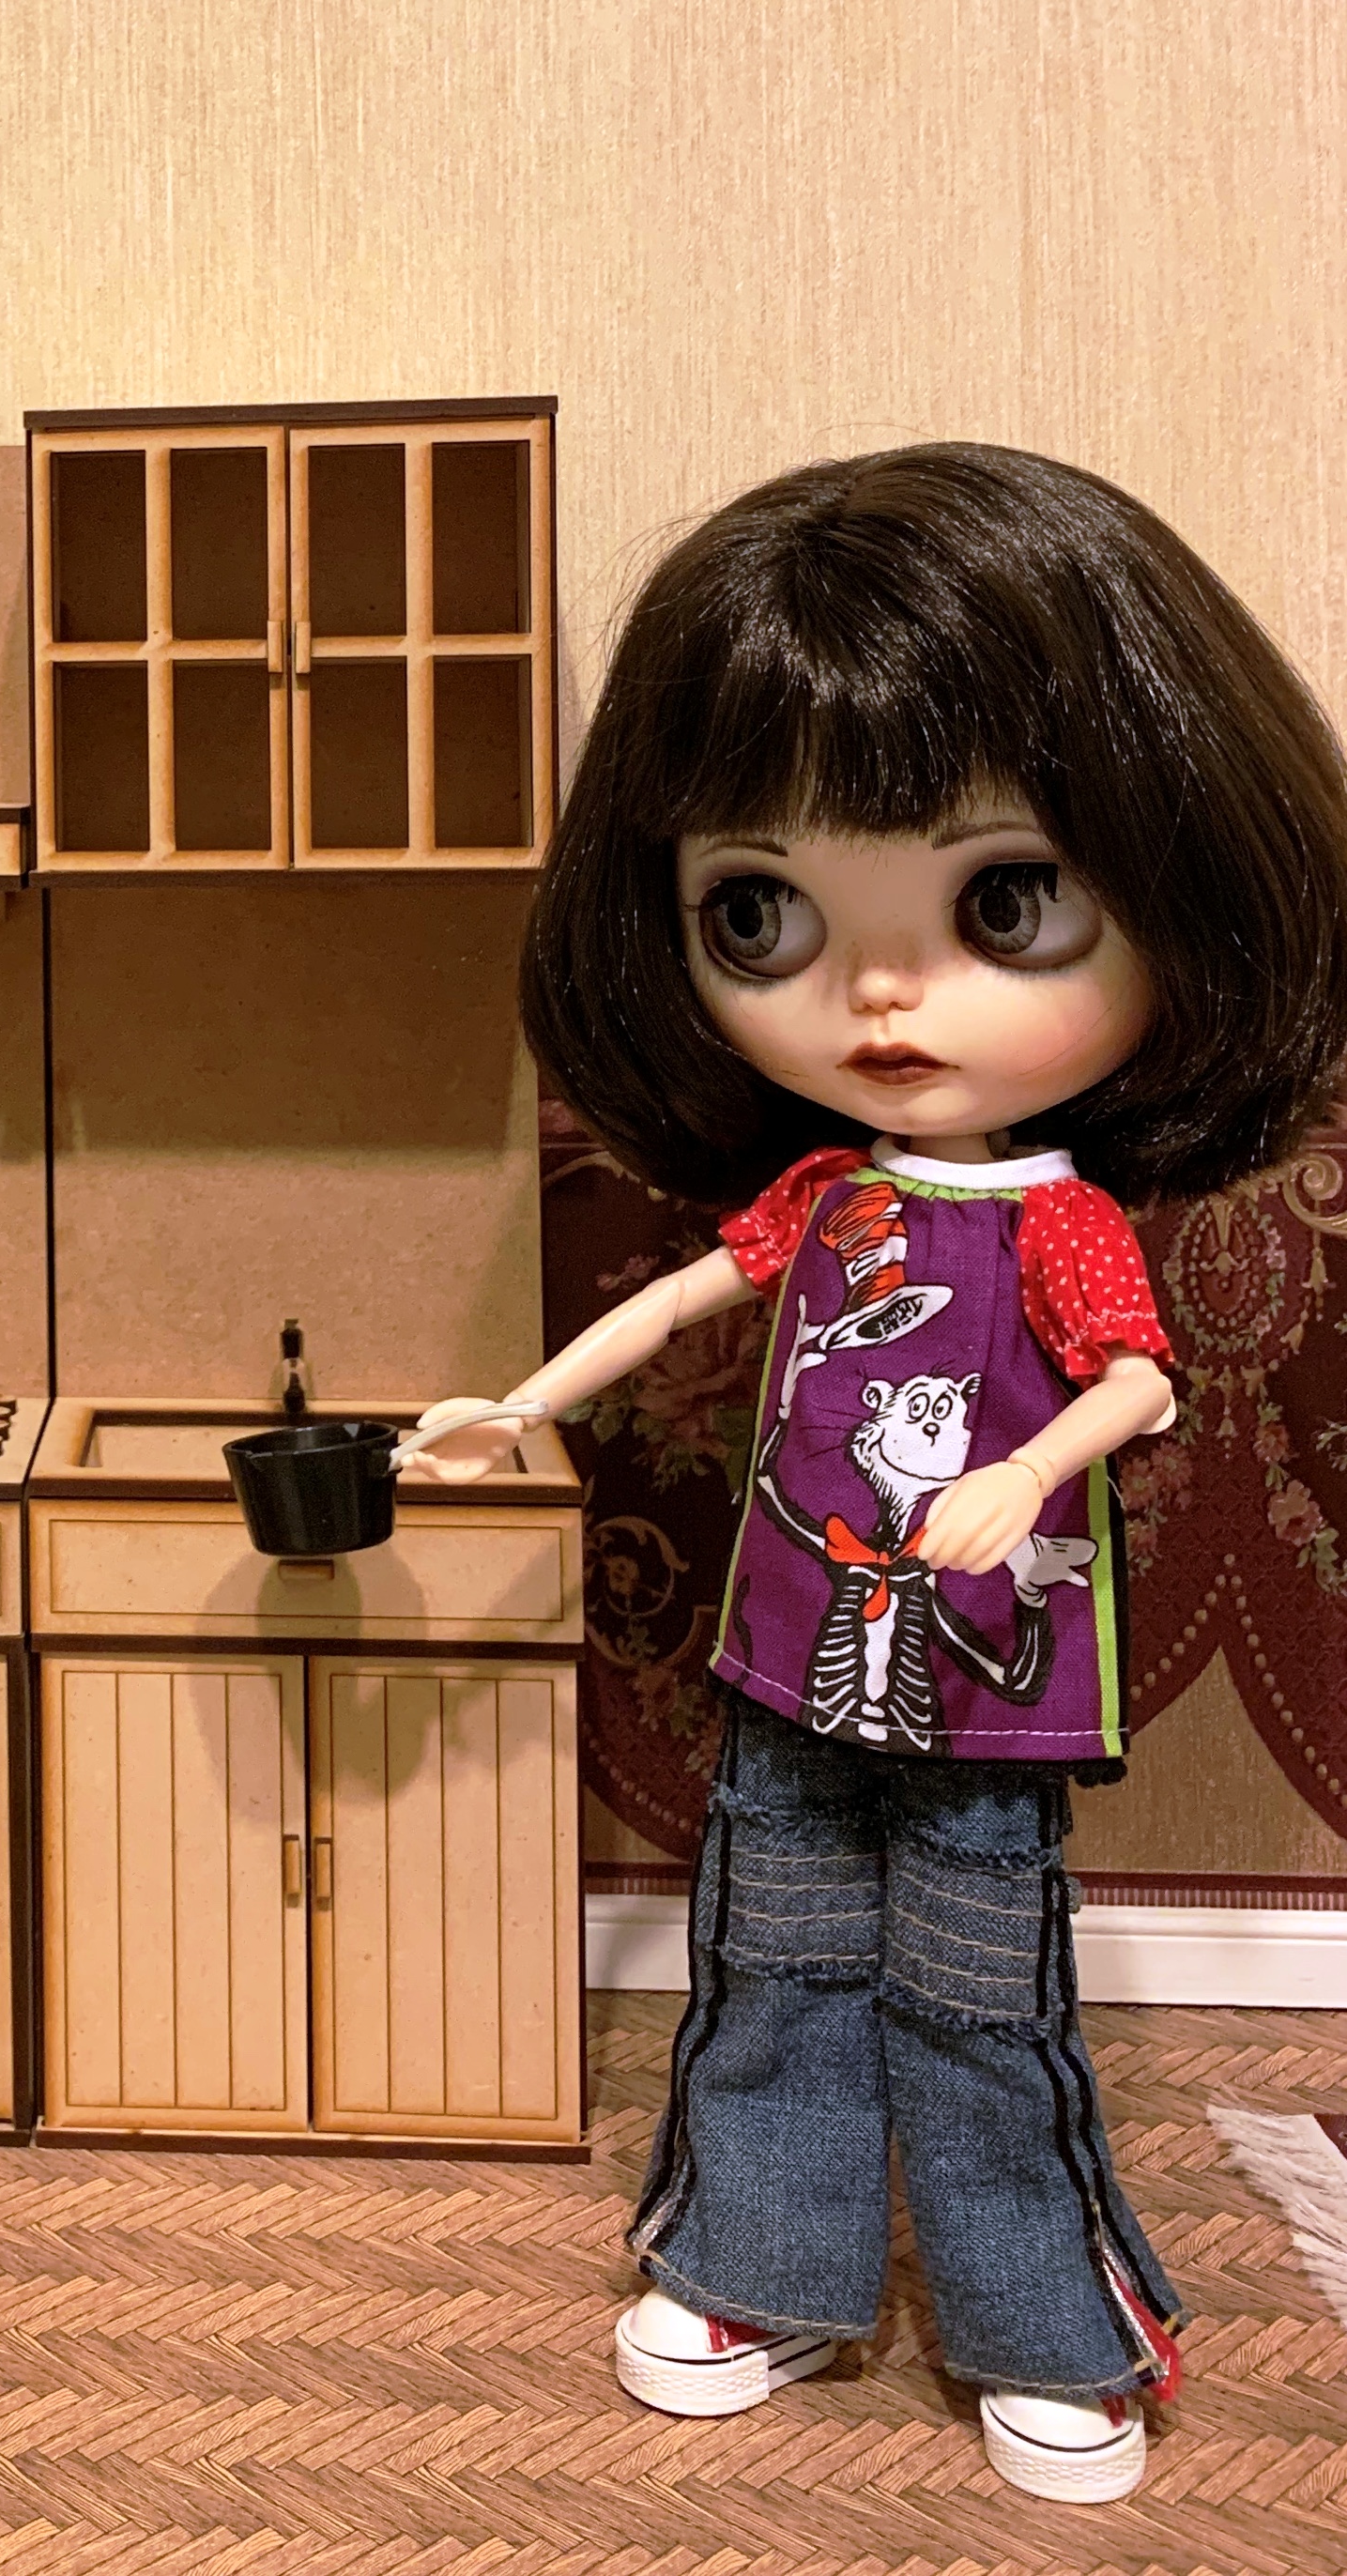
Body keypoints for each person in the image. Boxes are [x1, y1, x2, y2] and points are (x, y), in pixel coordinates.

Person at [408, 443, 1347, 2504]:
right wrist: (524, 1400)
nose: (885, 989)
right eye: (764, 913)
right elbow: (685, 1296)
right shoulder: (828, 1194)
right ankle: (759, 2269)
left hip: (990, 1662)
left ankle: (1041, 2323)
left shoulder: (1058, 1223)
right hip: (795, 1645)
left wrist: (1029, 1476)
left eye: (1005, 902)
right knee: (773, 1957)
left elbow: (1140, 1385)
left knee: (981, 1988)